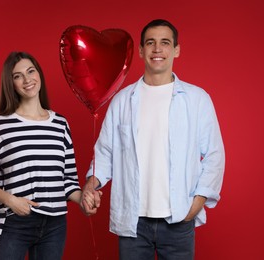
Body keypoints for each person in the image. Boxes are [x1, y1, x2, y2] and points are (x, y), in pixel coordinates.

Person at [82, 19, 225, 259]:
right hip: (133, 223)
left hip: (179, 218)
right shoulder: (122, 101)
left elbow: (214, 155)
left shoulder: (197, 99)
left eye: (165, 43)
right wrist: (91, 185)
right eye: (150, 43)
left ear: (176, 50)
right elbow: (105, 153)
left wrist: (198, 201)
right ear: (141, 51)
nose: (157, 49)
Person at [0, 51, 90, 260]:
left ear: (39, 74)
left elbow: (68, 181)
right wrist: (11, 200)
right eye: (17, 76)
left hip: (55, 224)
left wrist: (84, 201)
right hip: (14, 221)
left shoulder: (60, 124)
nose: (27, 80)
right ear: (11, 83)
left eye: (30, 71)